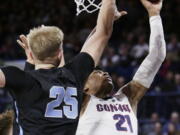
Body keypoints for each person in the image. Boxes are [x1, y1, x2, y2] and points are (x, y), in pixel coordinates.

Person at [0, 0, 124, 134]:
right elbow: (102, 34)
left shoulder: (22, 79)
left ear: (31, 53)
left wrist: (30, 62)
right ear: (60, 54)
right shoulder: (73, 74)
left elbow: (30, 88)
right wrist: (108, 11)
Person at [76, 0, 166, 134]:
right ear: (85, 87)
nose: (104, 73)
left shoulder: (127, 97)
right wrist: (100, 28)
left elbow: (157, 56)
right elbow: (85, 57)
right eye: (97, 72)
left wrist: (154, 14)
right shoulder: (81, 101)